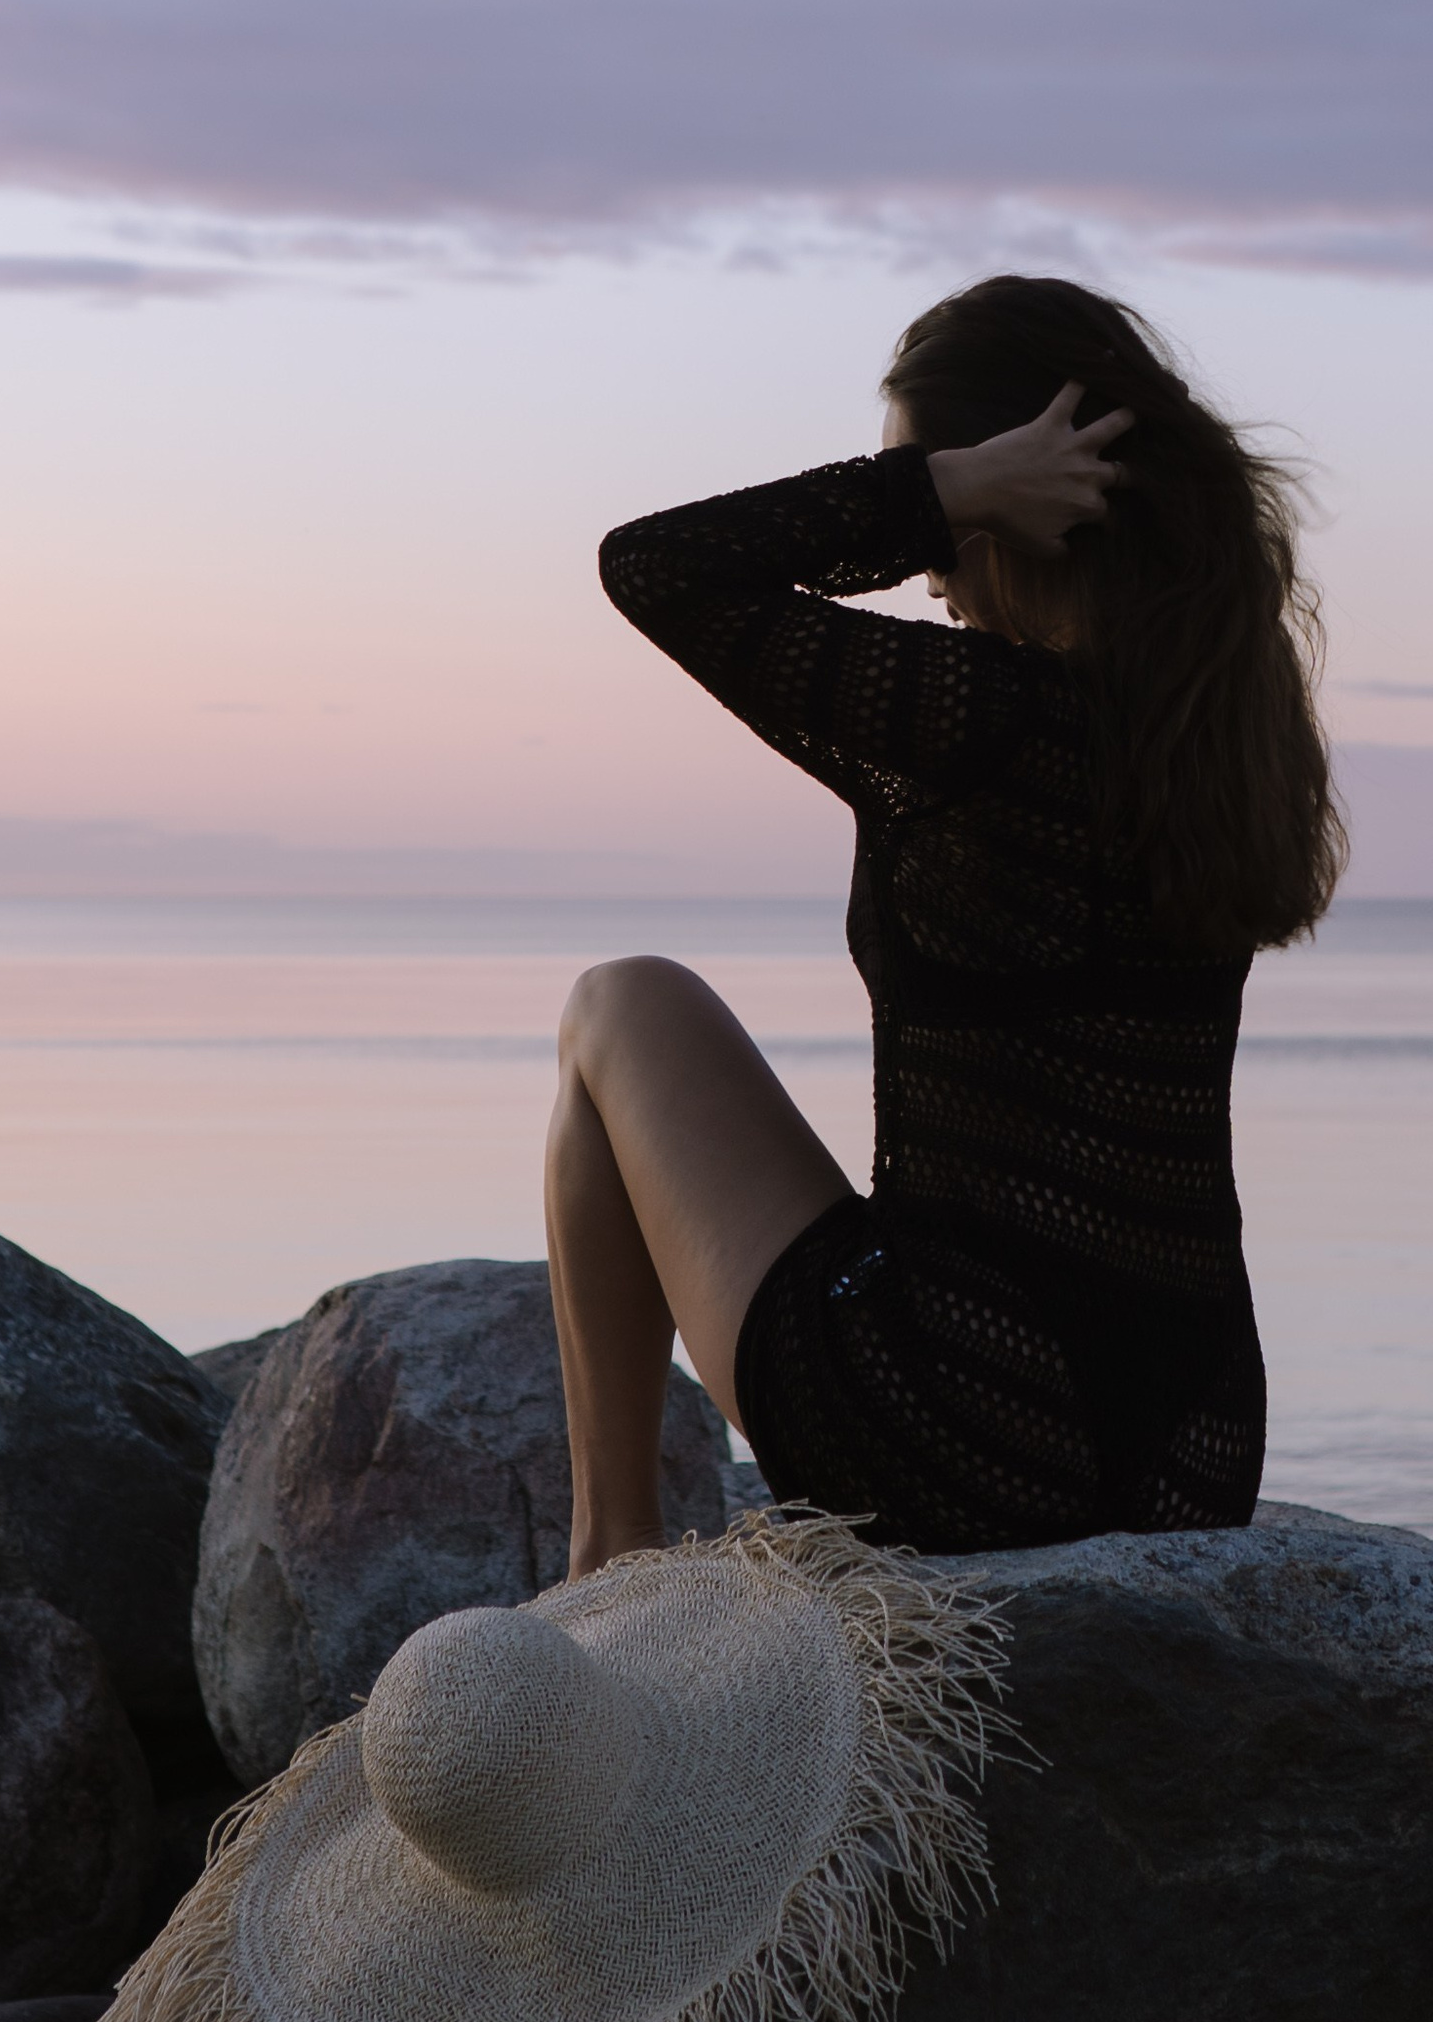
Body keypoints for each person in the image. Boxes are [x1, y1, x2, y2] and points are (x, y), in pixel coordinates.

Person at [545, 273, 1344, 1573]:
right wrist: (957, 488)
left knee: (620, 1003)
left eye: (947, 510)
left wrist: (946, 488)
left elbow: (653, 568)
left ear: (1031, 493)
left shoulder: (983, 717)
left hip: (956, 1429)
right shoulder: (1218, 741)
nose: (927, 572)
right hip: (1192, 1455)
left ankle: (610, 1556)